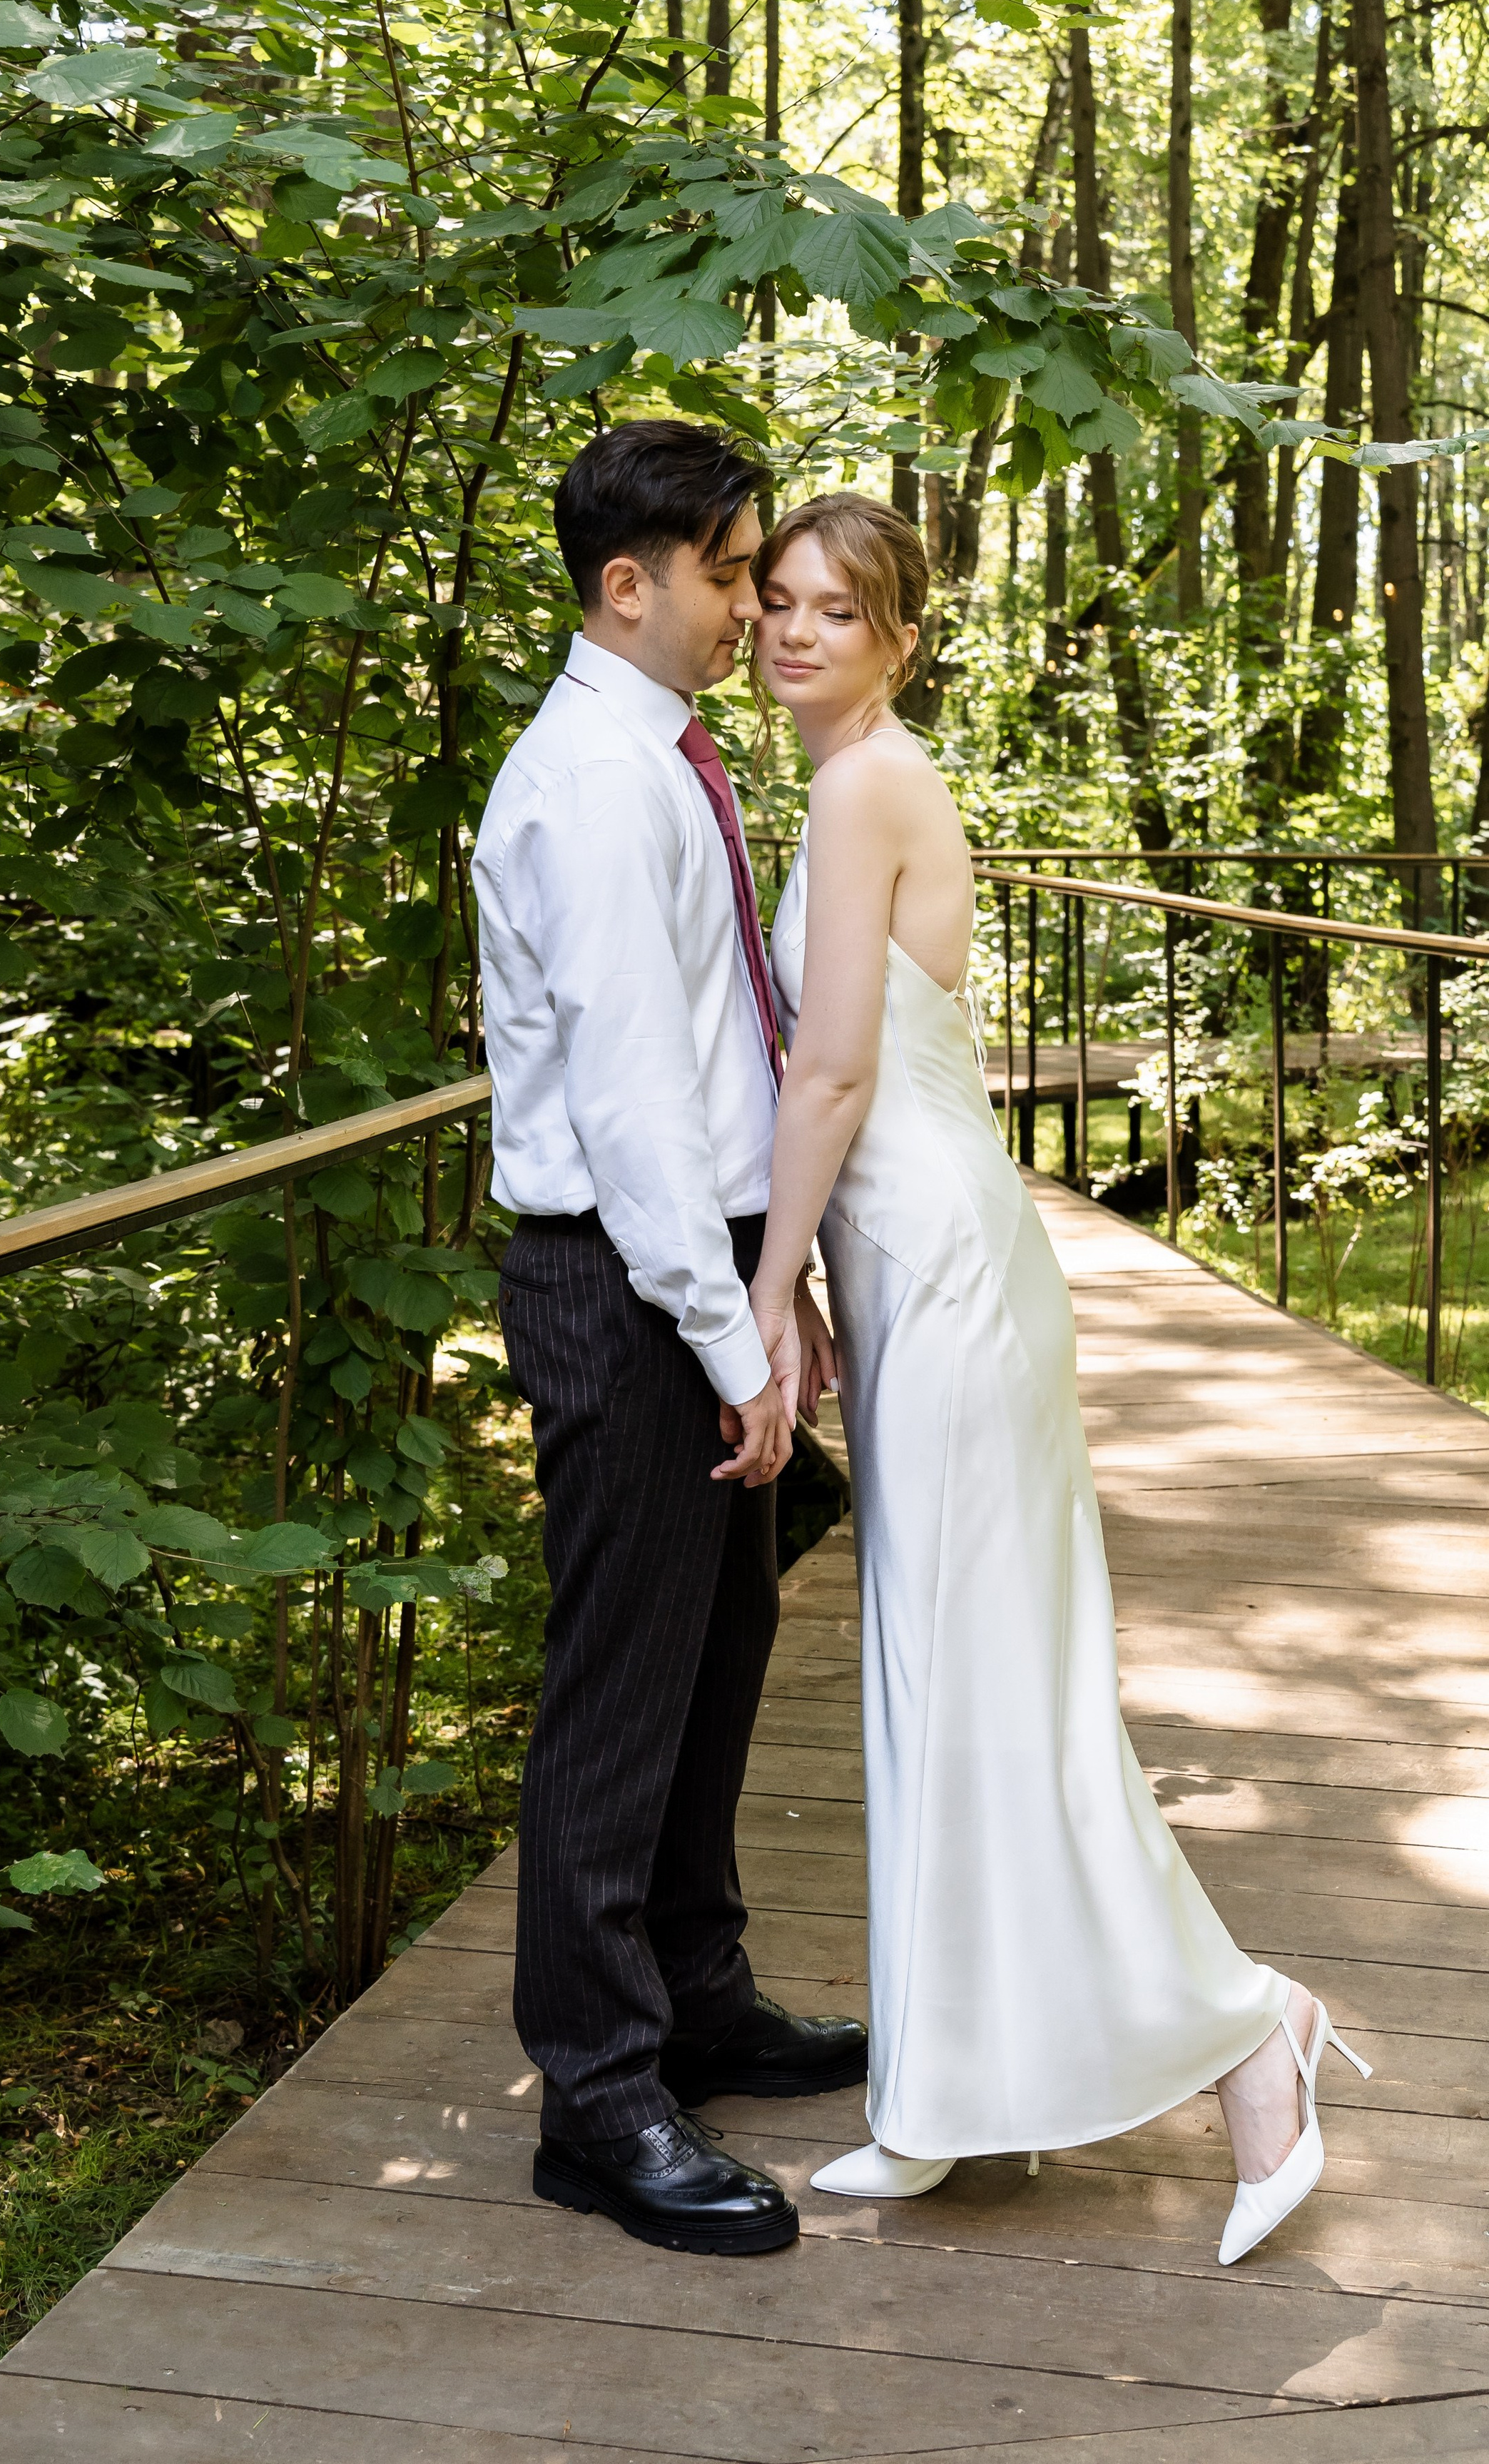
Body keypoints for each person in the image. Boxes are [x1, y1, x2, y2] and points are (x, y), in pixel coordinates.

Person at [745, 490, 1371, 2266]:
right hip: (915, 1268)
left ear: (896, 637)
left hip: (937, 1266)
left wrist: (770, 1284)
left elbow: (835, 1078)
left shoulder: (866, 782)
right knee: (936, 1687)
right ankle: (946, 2094)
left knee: (984, 1688)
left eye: (835, 610)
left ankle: (1254, 2029)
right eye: (777, 598)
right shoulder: (844, 780)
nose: (794, 631)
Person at [472, 422, 863, 2258]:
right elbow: (629, 1110)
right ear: (626, 583)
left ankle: (696, 2000)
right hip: (620, 1285)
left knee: (716, 1652)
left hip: (694, 1265)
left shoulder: (666, 763)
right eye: (725, 575)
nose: (742, 611)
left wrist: (770, 1290)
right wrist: (725, 1336)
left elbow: (711, 1073)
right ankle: (600, 2094)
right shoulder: (585, 788)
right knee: (619, 1689)